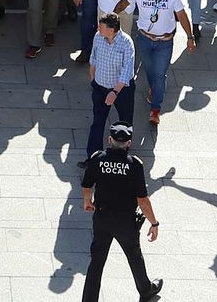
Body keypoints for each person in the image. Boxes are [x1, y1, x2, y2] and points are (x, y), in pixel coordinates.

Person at [79, 121, 164, 302]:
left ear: (109, 140)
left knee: (96, 262)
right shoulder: (134, 165)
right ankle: (146, 290)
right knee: (134, 256)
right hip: (125, 222)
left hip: (102, 218)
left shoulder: (97, 159)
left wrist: (87, 201)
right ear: (129, 144)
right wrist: (154, 223)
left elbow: (86, 185)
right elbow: (142, 200)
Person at [115, 0, 197, 126]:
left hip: (165, 42)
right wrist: (111, 20)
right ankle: (154, 88)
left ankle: (155, 109)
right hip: (144, 39)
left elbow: (182, 15)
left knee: (159, 74)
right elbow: (123, 3)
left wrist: (190, 37)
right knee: (149, 69)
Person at [82, 12, 137, 166]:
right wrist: (93, 81)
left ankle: (123, 160)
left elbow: (127, 71)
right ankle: (93, 160)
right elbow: (93, 59)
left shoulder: (126, 43)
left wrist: (115, 92)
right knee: (97, 124)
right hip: (100, 87)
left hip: (122, 91)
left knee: (125, 125)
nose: (98, 29)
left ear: (111, 30)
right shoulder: (98, 37)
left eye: (101, 27)